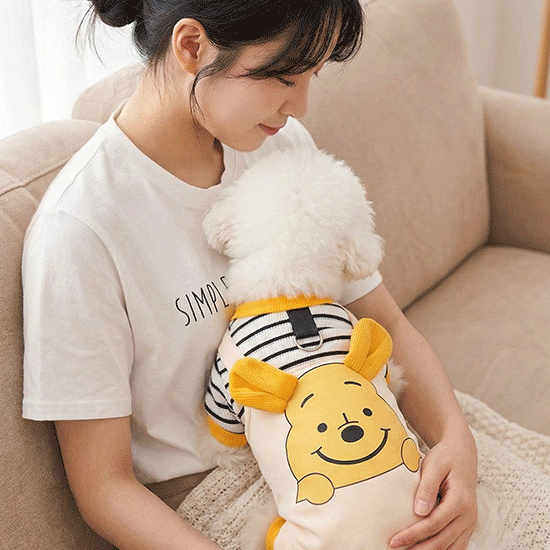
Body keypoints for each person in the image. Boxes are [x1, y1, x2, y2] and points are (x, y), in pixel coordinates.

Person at [21, 1, 478, 549]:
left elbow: (388, 325)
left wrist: (456, 443)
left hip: (355, 434)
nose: (300, 107)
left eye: (312, 76)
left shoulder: (281, 147)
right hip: (213, 494)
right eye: (285, 77)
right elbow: (104, 488)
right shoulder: (81, 230)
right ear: (192, 47)